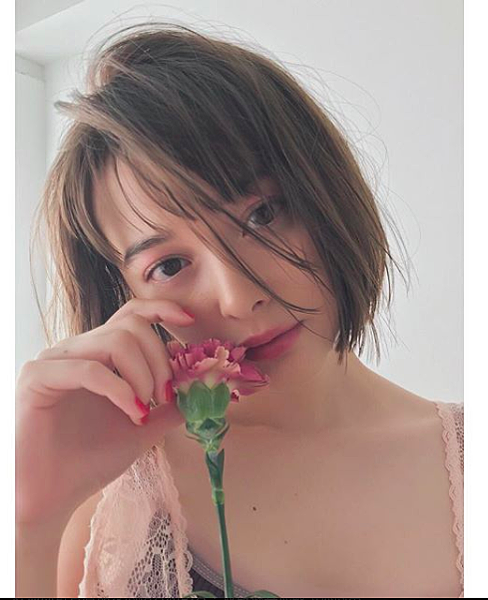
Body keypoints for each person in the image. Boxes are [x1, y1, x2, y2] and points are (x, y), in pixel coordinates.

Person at [15, 22, 464, 599]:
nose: (237, 296)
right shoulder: (103, 504)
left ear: (325, 192)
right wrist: (29, 521)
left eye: (263, 215)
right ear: (124, 300)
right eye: (169, 265)